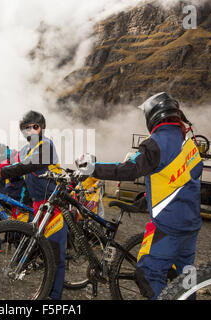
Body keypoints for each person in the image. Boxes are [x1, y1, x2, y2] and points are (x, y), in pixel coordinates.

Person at [87, 92, 203, 299]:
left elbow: (128, 169)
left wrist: (92, 169)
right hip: (191, 223)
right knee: (185, 275)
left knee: (147, 273)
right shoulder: (187, 141)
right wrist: (148, 200)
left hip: (168, 225)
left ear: (153, 115)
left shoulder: (156, 142)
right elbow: (184, 177)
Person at [0, 110, 67, 300]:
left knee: (56, 255)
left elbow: (27, 166)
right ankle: (46, 283)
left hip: (52, 205)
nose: (28, 131)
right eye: (24, 128)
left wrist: (2, 174)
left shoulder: (46, 146)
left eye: (32, 127)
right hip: (37, 205)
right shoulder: (25, 149)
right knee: (38, 245)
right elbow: (13, 161)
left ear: (40, 127)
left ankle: (53, 296)